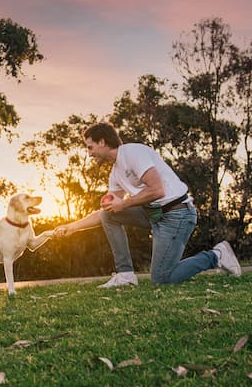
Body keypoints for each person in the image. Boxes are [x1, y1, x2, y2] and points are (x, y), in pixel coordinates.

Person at [54, 122, 241, 287]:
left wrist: (125, 203)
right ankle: (125, 275)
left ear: (102, 142)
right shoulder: (116, 173)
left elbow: (157, 190)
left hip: (177, 214)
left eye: (90, 147)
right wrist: (71, 227)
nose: (89, 154)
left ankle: (216, 255)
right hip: (155, 214)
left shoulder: (133, 153)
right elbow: (108, 210)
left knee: (162, 279)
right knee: (108, 214)